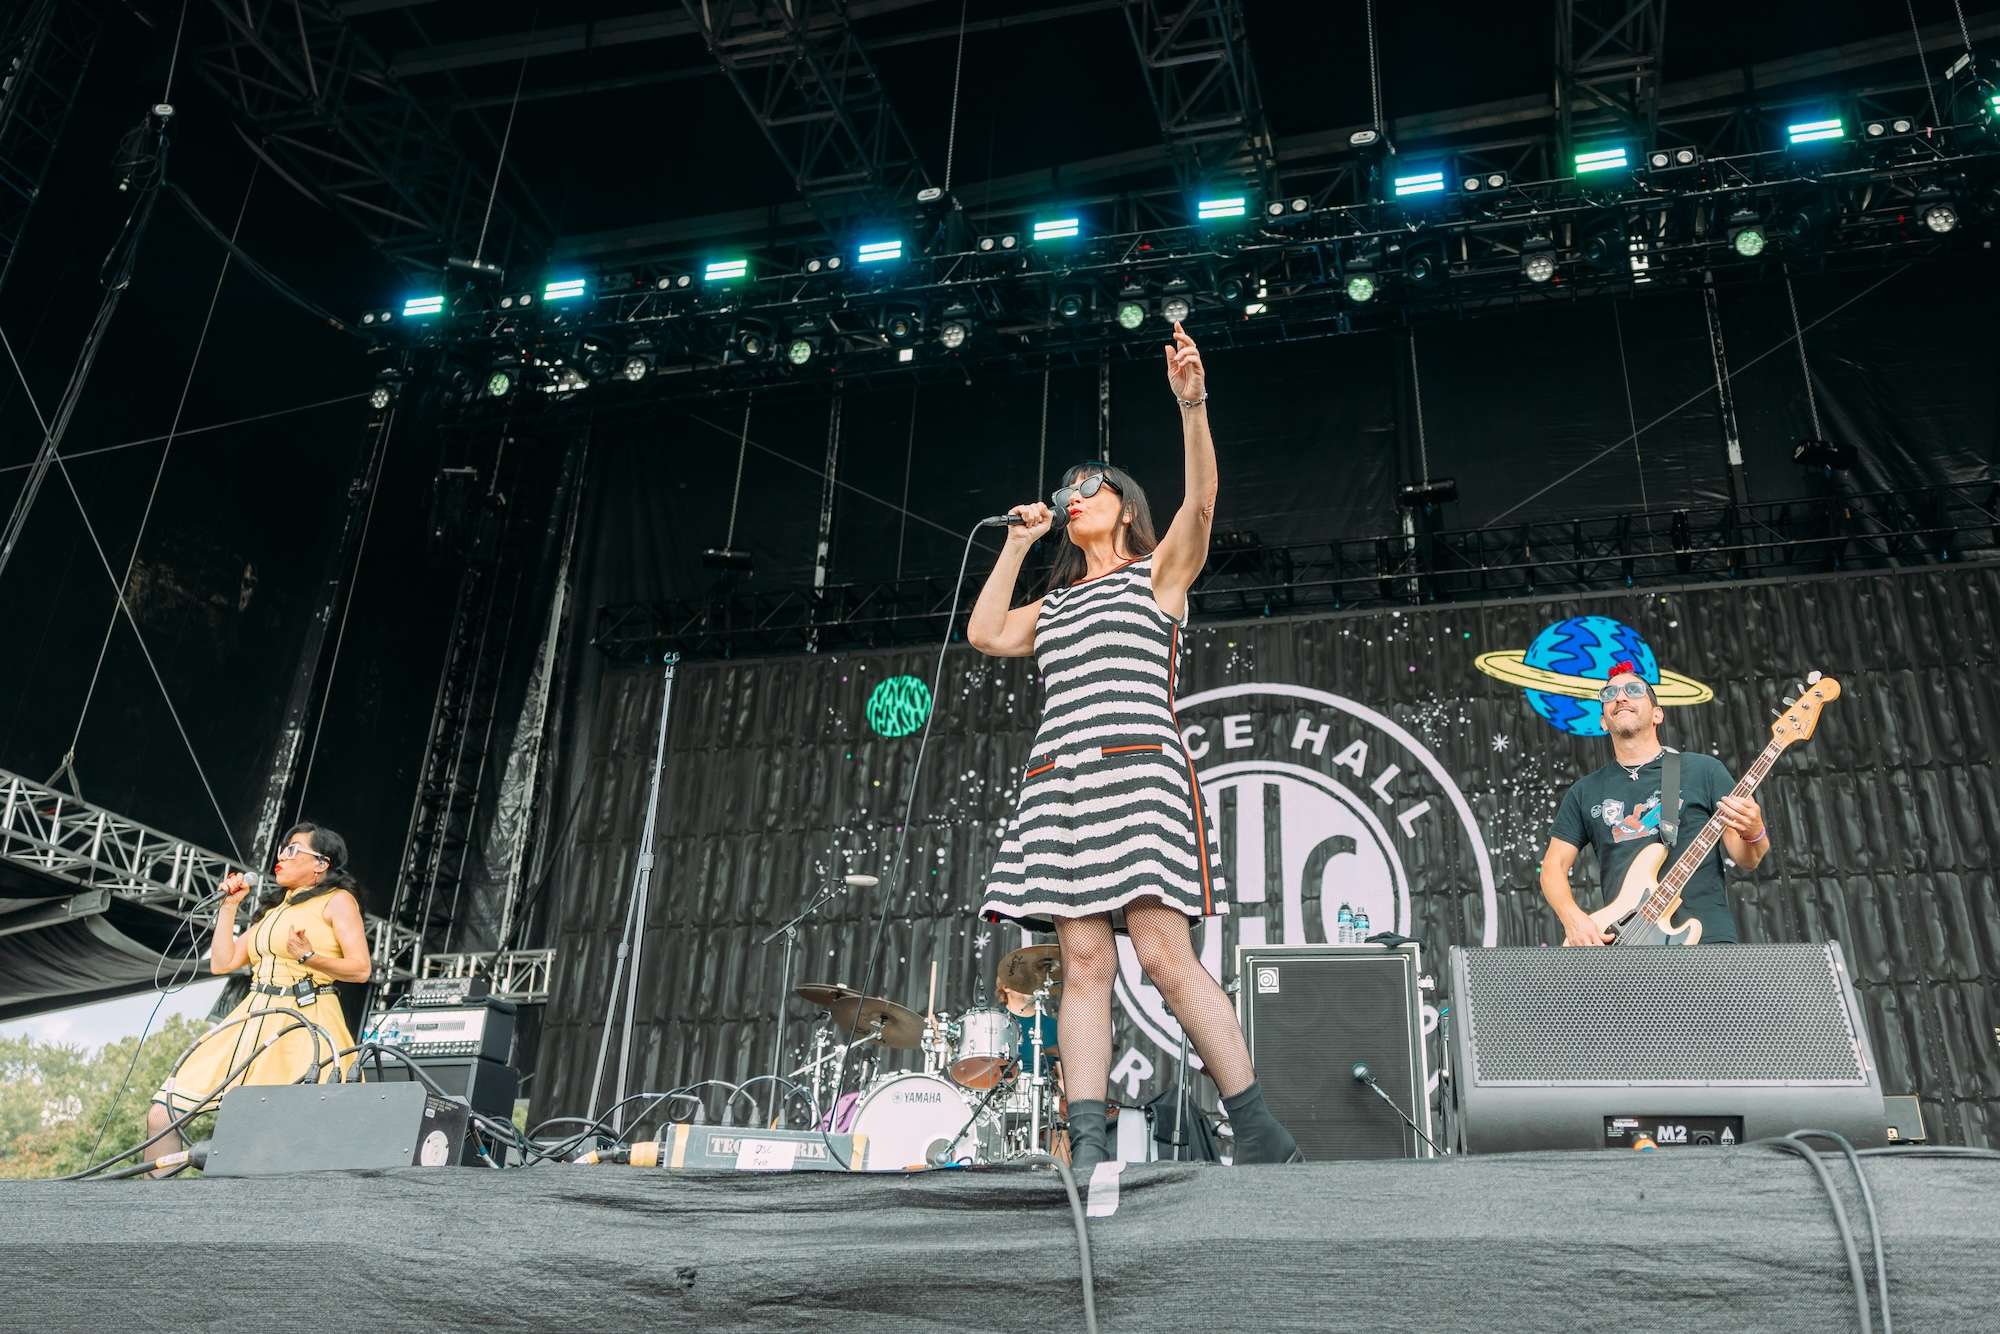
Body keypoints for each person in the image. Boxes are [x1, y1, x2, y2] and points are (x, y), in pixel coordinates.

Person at [970, 322, 1299, 1173]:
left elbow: (1204, 503)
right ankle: (1083, 1145)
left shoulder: (1157, 573)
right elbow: (986, 632)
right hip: (1062, 781)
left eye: (1090, 486)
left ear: (1124, 506)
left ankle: (1260, 1131)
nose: (1072, 496)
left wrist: (1192, 404)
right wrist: (1017, 541)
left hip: (1136, 771)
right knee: (1084, 962)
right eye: (1066, 489)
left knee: (1161, 954)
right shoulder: (1055, 606)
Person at [145, 822, 372, 1168]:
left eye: (293, 849)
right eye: (282, 849)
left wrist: (310, 958)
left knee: (272, 1135)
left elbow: (360, 968)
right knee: (163, 1113)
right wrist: (229, 907)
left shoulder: (338, 901)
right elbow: (222, 962)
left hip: (304, 1019)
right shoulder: (273, 910)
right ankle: (154, 1199)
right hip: (252, 1015)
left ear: (320, 864)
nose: (282, 856)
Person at [1540, 665, 1770, 945]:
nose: (1620, 697)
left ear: (1657, 714)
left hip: (1707, 940)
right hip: (1627, 944)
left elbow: (1747, 859)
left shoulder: (1704, 770)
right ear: (1603, 722)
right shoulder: (1584, 791)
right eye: (1609, 694)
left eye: (1633, 690)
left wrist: (1754, 831)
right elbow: (1553, 866)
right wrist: (1573, 919)